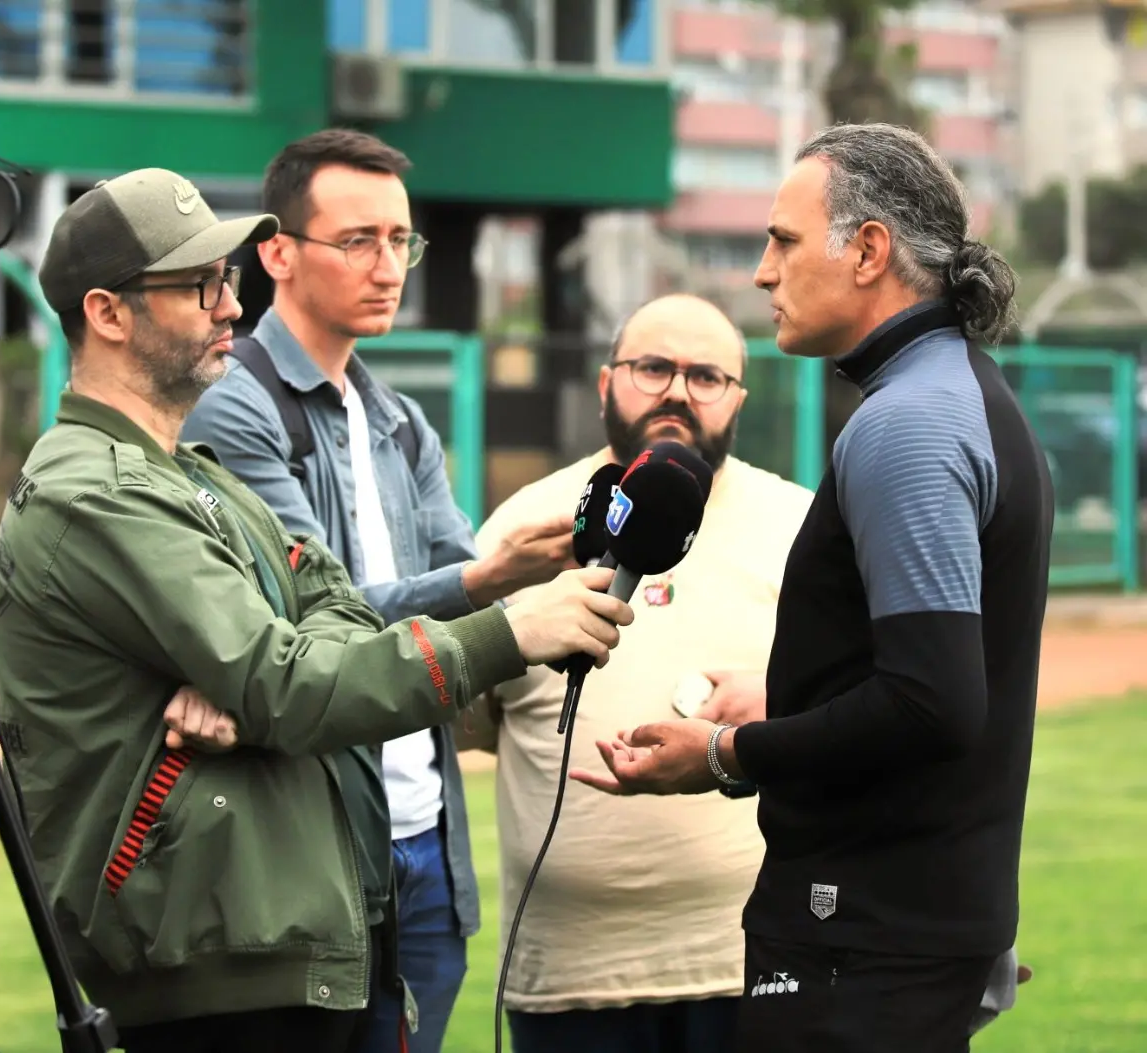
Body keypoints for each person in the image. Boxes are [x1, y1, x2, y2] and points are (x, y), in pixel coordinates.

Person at [0, 165, 635, 1053]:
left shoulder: (187, 472)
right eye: (200, 284)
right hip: (213, 960)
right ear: (106, 313)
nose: (229, 305)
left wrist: (267, 670)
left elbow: (325, 609)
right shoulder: (96, 494)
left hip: (265, 931)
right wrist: (510, 631)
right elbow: (286, 677)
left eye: (226, 279)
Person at [569, 123, 1052, 1053]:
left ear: (869, 250)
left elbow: (931, 703)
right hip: (905, 929)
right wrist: (793, 699)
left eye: (783, 240)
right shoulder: (963, 393)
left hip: (861, 939)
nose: (760, 271)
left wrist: (726, 752)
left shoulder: (905, 424)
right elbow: (928, 670)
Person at [181, 128, 575, 1052]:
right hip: (310, 842)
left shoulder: (398, 418)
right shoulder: (235, 401)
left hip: (426, 836)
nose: (387, 263)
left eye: (401, 240)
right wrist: (492, 577)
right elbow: (318, 622)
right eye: (358, 239)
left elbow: (463, 598)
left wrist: (545, 570)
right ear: (276, 251)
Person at [458, 293, 813, 1053]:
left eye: (707, 375)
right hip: (570, 978)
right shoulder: (530, 525)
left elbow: (859, 711)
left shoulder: (802, 525)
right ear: (605, 383)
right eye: (653, 368)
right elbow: (470, 716)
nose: (679, 391)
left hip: (753, 962)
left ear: (739, 397)